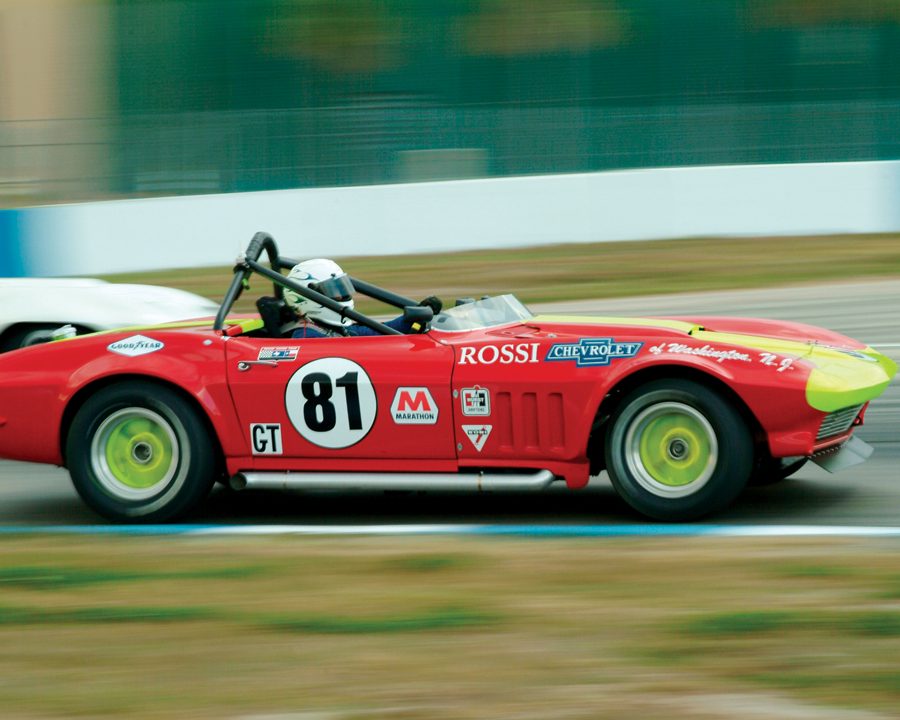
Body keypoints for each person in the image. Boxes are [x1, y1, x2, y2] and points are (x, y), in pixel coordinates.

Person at [282, 259, 441, 338]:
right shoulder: (306, 336)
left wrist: (408, 320)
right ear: (305, 297)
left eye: (341, 287)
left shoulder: (327, 327)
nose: (341, 295)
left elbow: (365, 333)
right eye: (333, 290)